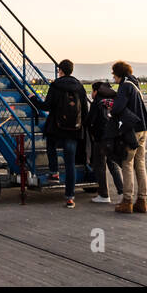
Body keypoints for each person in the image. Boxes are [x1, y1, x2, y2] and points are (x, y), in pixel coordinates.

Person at [27, 59, 89, 208]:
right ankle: (70, 198)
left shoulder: (55, 85)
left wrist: (34, 99)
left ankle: (54, 171)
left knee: (50, 142)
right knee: (70, 164)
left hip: (57, 128)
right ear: (72, 70)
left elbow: (47, 106)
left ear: (60, 70)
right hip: (74, 130)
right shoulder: (80, 87)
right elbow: (85, 111)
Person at [110, 60, 147, 214]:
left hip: (131, 131)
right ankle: (142, 200)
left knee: (127, 163)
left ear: (119, 73)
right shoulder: (135, 83)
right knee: (140, 164)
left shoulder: (125, 86)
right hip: (143, 128)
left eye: (114, 74)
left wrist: (111, 108)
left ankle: (127, 200)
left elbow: (117, 108)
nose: (113, 77)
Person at [86, 80, 124, 203]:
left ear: (96, 91)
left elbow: (90, 120)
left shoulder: (97, 102)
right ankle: (122, 190)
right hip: (113, 137)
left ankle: (104, 194)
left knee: (100, 166)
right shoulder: (113, 100)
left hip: (100, 138)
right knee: (113, 165)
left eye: (92, 91)